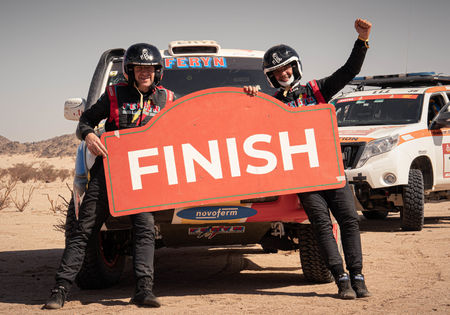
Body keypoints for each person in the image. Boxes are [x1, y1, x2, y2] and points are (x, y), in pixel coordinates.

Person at [244, 18, 372, 299]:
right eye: (277, 71)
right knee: (321, 225)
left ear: (296, 66)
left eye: (287, 67)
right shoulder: (271, 102)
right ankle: (341, 281)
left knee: (349, 221)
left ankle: (358, 278)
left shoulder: (318, 90)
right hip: (304, 177)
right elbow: (244, 122)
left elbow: (349, 71)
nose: (284, 73)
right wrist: (251, 97)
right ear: (271, 77)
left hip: (331, 170)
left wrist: (362, 40)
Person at [44, 43, 176, 309]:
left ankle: (143, 291)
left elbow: (199, 122)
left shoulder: (168, 99)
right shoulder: (114, 94)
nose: (144, 73)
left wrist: (248, 96)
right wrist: (90, 134)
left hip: (143, 178)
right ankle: (60, 291)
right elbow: (85, 122)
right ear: (129, 70)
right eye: (139, 68)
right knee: (83, 230)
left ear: (157, 71)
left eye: (149, 68)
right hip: (108, 175)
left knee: (144, 231)